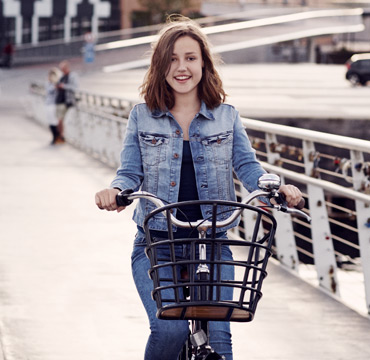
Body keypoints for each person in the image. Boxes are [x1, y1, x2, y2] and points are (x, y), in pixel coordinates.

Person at [94, 15, 303, 360]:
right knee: (169, 328)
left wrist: (275, 188)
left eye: (190, 58)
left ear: (203, 63)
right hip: (157, 244)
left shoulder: (227, 116)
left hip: (213, 240)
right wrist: (114, 192)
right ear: (160, 66)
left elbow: (248, 166)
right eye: (172, 59)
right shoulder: (142, 116)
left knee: (220, 336)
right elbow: (129, 173)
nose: (182, 67)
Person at [55, 60, 79, 143]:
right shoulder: (61, 76)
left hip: (66, 101)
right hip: (59, 100)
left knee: (60, 119)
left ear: (67, 68)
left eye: (63, 68)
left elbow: (75, 88)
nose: (62, 70)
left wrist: (63, 86)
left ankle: (61, 136)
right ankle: (60, 136)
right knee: (58, 119)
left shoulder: (72, 76)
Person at [46, 67, 62, 144]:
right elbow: (49, 90)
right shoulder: (49, 84)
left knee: (54, 121)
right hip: (48, 104)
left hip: (54, 105)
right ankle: (55, 137)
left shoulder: (57, 84)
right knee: (50, 121)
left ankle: (56, 137)